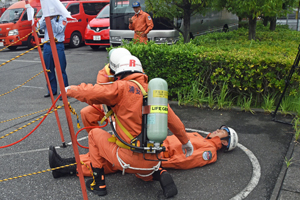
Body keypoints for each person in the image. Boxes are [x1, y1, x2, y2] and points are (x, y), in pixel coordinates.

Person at [49, 55, 193, 198]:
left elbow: (92, 92)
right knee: (143, 170)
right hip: (154, 160)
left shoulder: (122, 88)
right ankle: (160, 174)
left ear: (120, 74)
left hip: (128, 159)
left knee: (94, 135)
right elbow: (175, 123)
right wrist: (186, 142)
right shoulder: (155, 94)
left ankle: (98, 184)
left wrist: (69, 89)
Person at [48, 125, 238, 194]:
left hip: (158, 153)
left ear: (225, 140)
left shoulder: (210, 151)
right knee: (107, 155)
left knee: (109, 162)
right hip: (154, 144)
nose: (216, 129)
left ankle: (65, 167)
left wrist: (158, 165)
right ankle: (66, 163)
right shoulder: (201, 137)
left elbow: (184, 160)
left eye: (221, 131)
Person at [37, 15, 69, 98]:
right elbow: (39, 26)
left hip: (58, 45)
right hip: (47, 45)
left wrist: (51, 20)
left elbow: (58, 30)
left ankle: (64, 92)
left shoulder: (62, 17)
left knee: (61, 69)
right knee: (48, 69)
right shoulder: (46, 16)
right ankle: (51, 90)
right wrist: (45, 18)